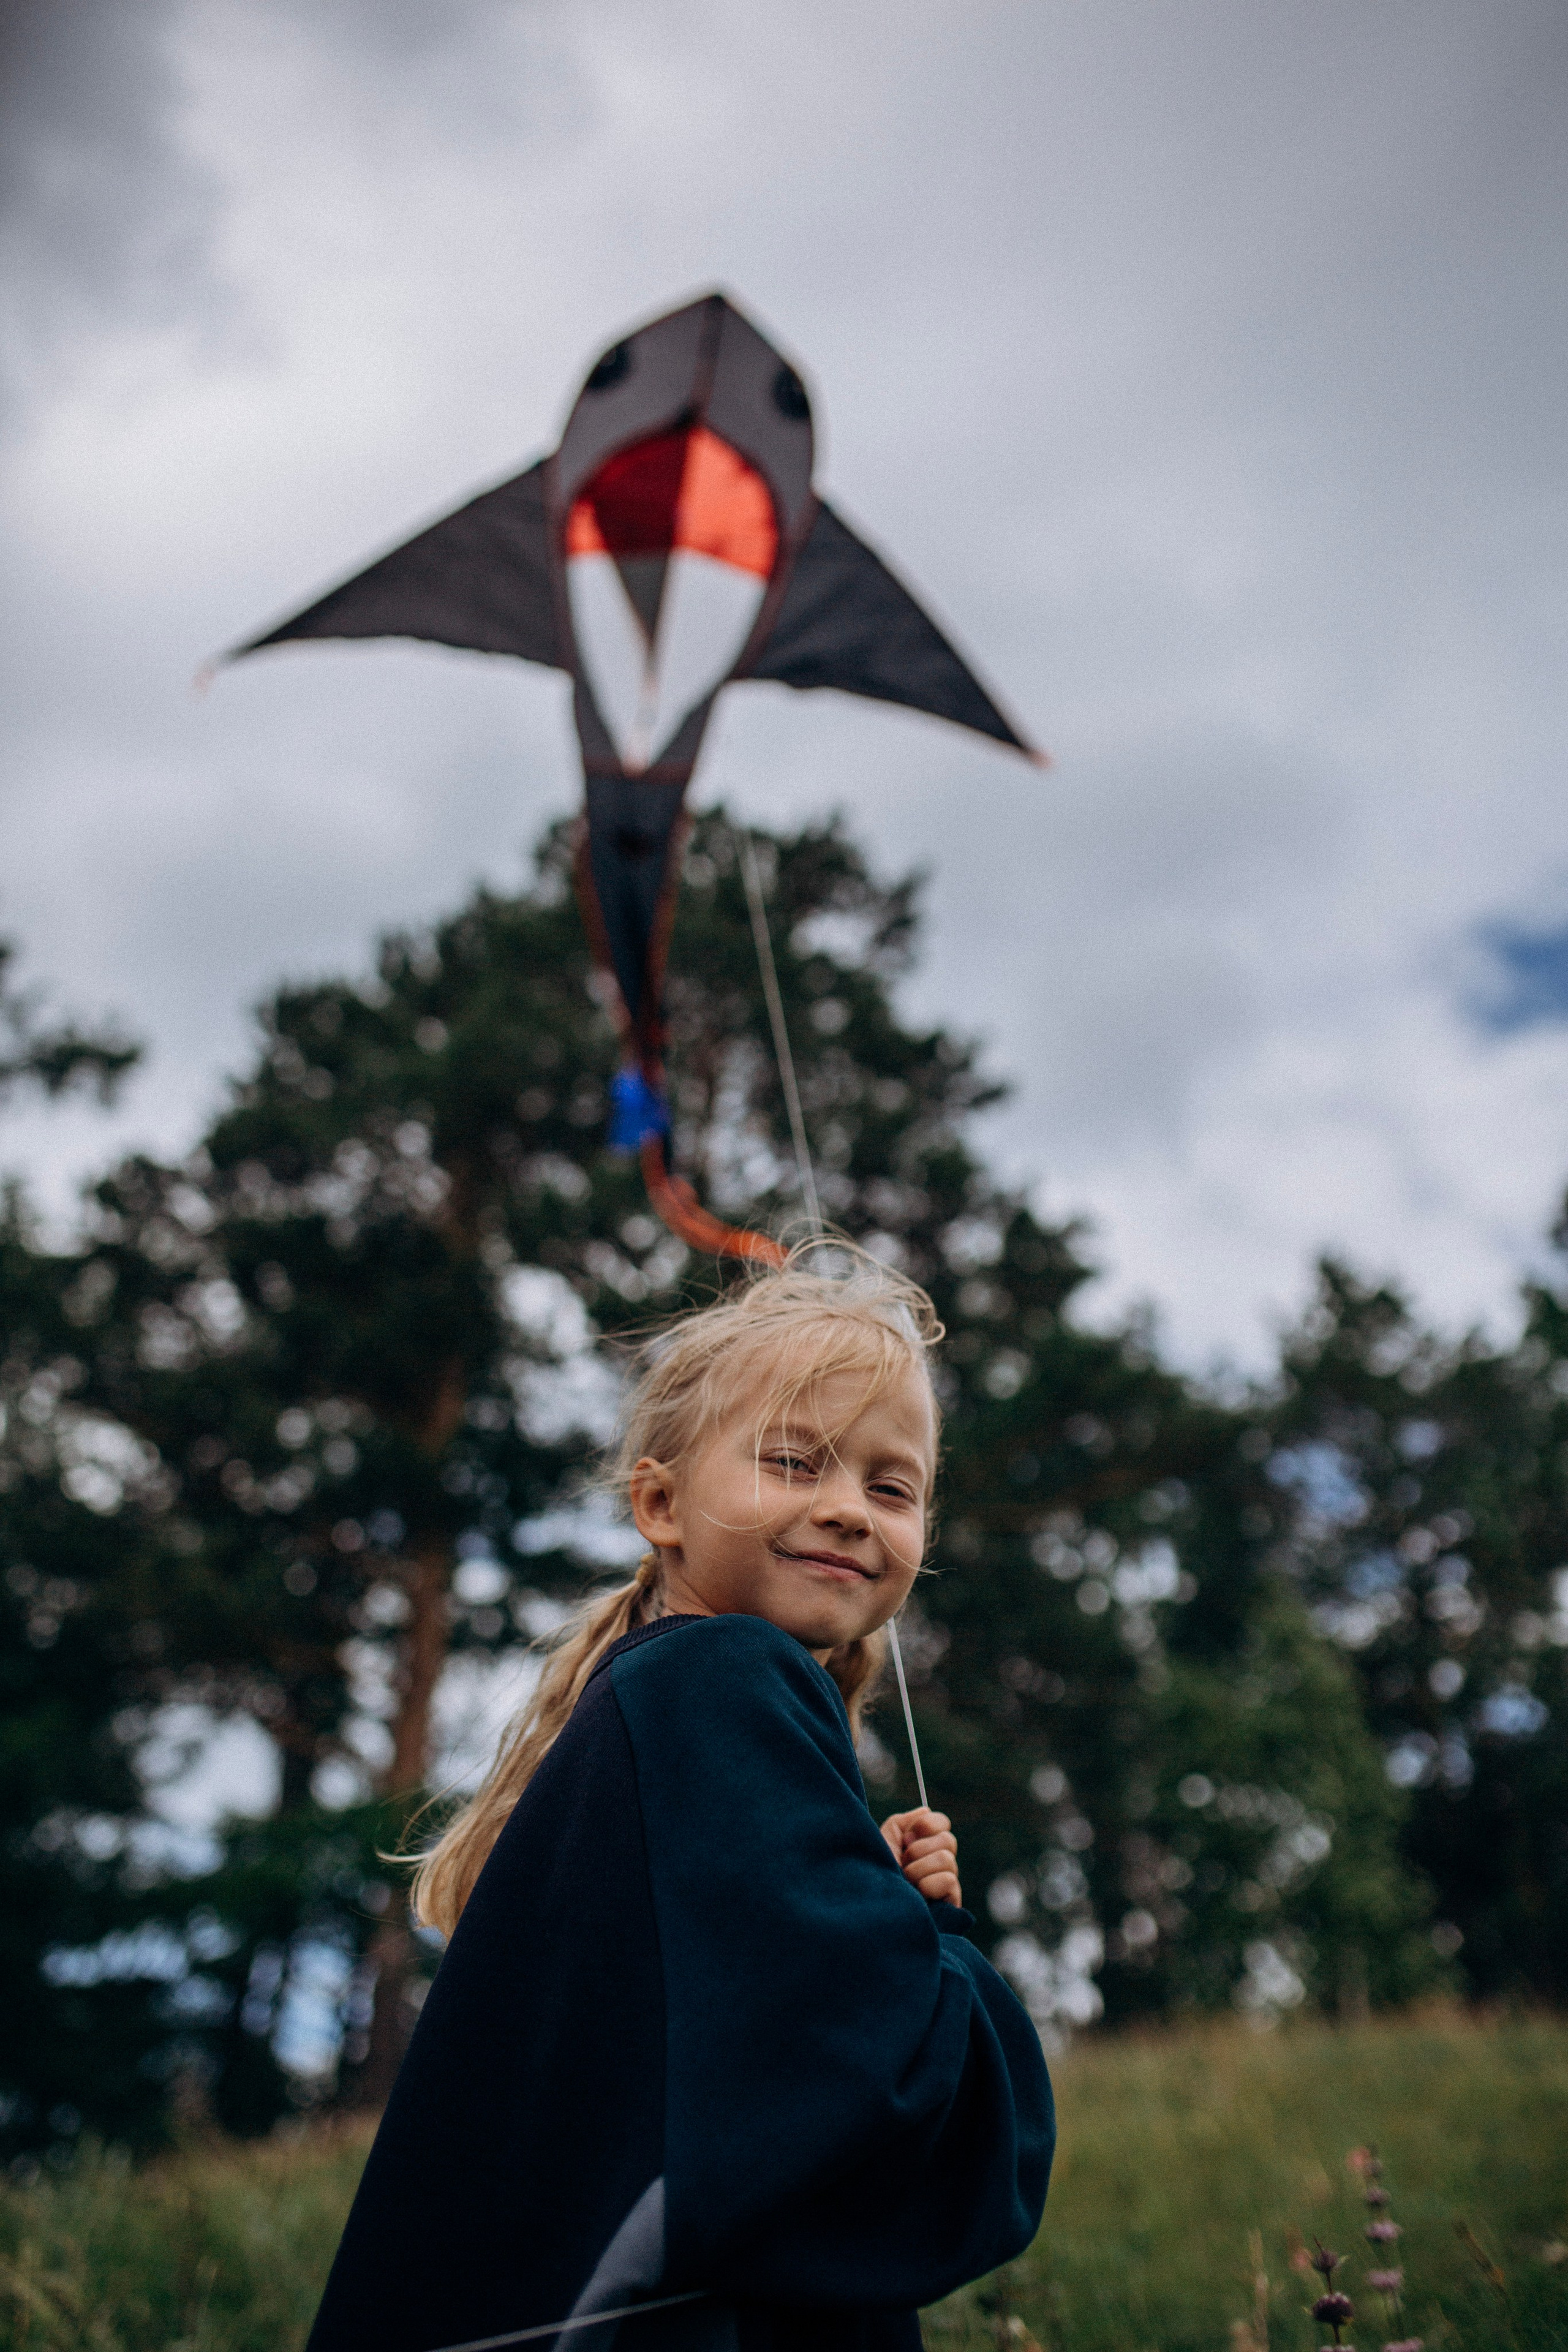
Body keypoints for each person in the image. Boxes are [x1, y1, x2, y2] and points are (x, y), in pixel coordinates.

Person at [305, 1248, 1054, 2352]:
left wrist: (884, 1912)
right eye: (794, 1462)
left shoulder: (667, 1702)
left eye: (892, 1487)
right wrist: (931, 1936)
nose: (850, 1509)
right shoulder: (721, 1681)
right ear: (660, 1502)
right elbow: (893, 2095)